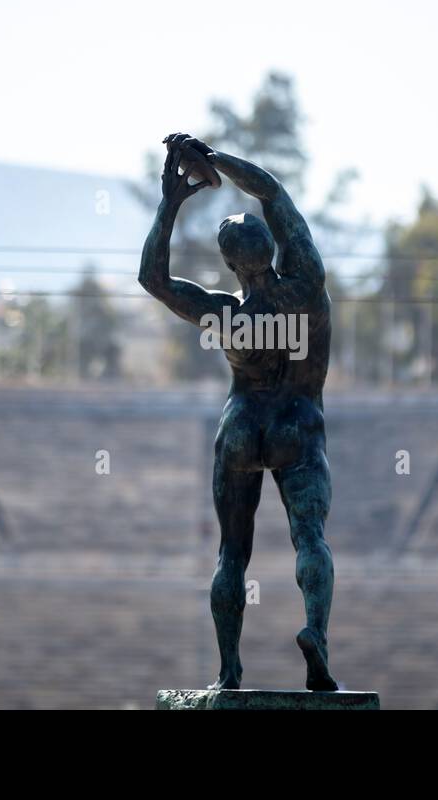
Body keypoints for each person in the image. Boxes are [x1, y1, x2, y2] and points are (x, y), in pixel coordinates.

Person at [138, 133, 337, 691]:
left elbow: (152, 280)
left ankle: (229, 669)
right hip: (298, 423)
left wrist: (173, 201)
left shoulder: (225, 315)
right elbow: (273, 193)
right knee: (311, 539)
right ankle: (315, 634)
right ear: (273, 251)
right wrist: (216, 161)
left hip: (243, 426)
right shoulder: (305, 288)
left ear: (228, 264)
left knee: (232, 554)